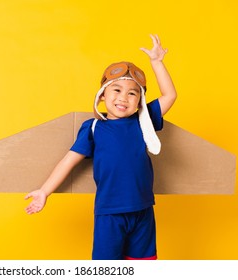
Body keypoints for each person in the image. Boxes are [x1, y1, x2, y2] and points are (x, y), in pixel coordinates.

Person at [25, 34, 177, 260]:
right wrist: (44, 191)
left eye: (132, 93)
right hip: (109, 213)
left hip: (143, 210)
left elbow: (170, 95)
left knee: (144, 264)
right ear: (103, 96)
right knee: (105, 268)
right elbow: (69, 160)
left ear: (139, 102)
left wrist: (157, 62)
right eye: (116, 90)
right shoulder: (94, 128)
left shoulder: (143, 121)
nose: (124, 97)